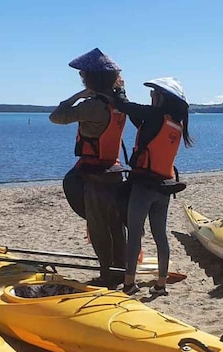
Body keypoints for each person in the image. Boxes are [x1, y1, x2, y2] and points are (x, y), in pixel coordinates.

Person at [49, 48, 129, 289]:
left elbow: (57, 116)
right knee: (116, 226)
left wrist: (78, 95)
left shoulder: (93, 106)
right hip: (114, 172)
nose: (81, 77)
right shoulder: (119, 102)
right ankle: (121, 271)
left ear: (90, 79)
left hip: (94, 174)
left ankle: (107, 275)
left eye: (83, 76)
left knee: (99, 228)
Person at [109, 77, 194, 296]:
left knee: (135, 234)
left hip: (144, 186)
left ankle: (129, 283)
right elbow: (139, 120)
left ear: (161, 97)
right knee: (160, 236)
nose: (150, 98)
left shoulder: (156, 116)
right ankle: (161, 284)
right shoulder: (175, 123)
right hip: (164, 187)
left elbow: (124, 106)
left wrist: (119, 88)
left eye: (152, 94)